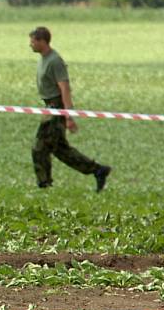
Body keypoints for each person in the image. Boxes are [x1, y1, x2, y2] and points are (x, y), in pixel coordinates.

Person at [29, 26, 111, 191]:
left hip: (56, 109)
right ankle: (98, 170)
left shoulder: (54, 61)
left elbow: (64, 88)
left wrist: (68, 115)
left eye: (33, 41)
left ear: (42, 41)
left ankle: (44, 184)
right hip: (49, 108)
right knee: (60, 150)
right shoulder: (44, 59)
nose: (30, 45)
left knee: (39, 148)